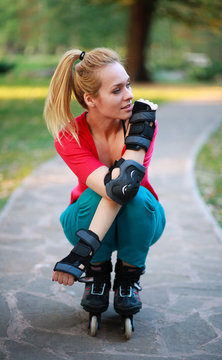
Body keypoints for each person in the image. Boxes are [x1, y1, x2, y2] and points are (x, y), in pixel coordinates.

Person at [44, 47, 166, 321]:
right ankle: (97, 273)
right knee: (96, 195)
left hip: (141, 221)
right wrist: (85, 253)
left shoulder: (141, 122)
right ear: (91, 99)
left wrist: (78, 254)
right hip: (84, 221)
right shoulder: (69, 137)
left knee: (136, 195)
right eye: (116, 90)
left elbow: (126, 188)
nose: (130, 95)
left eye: (128, 84)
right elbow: (112, 190)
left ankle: (128, 276)